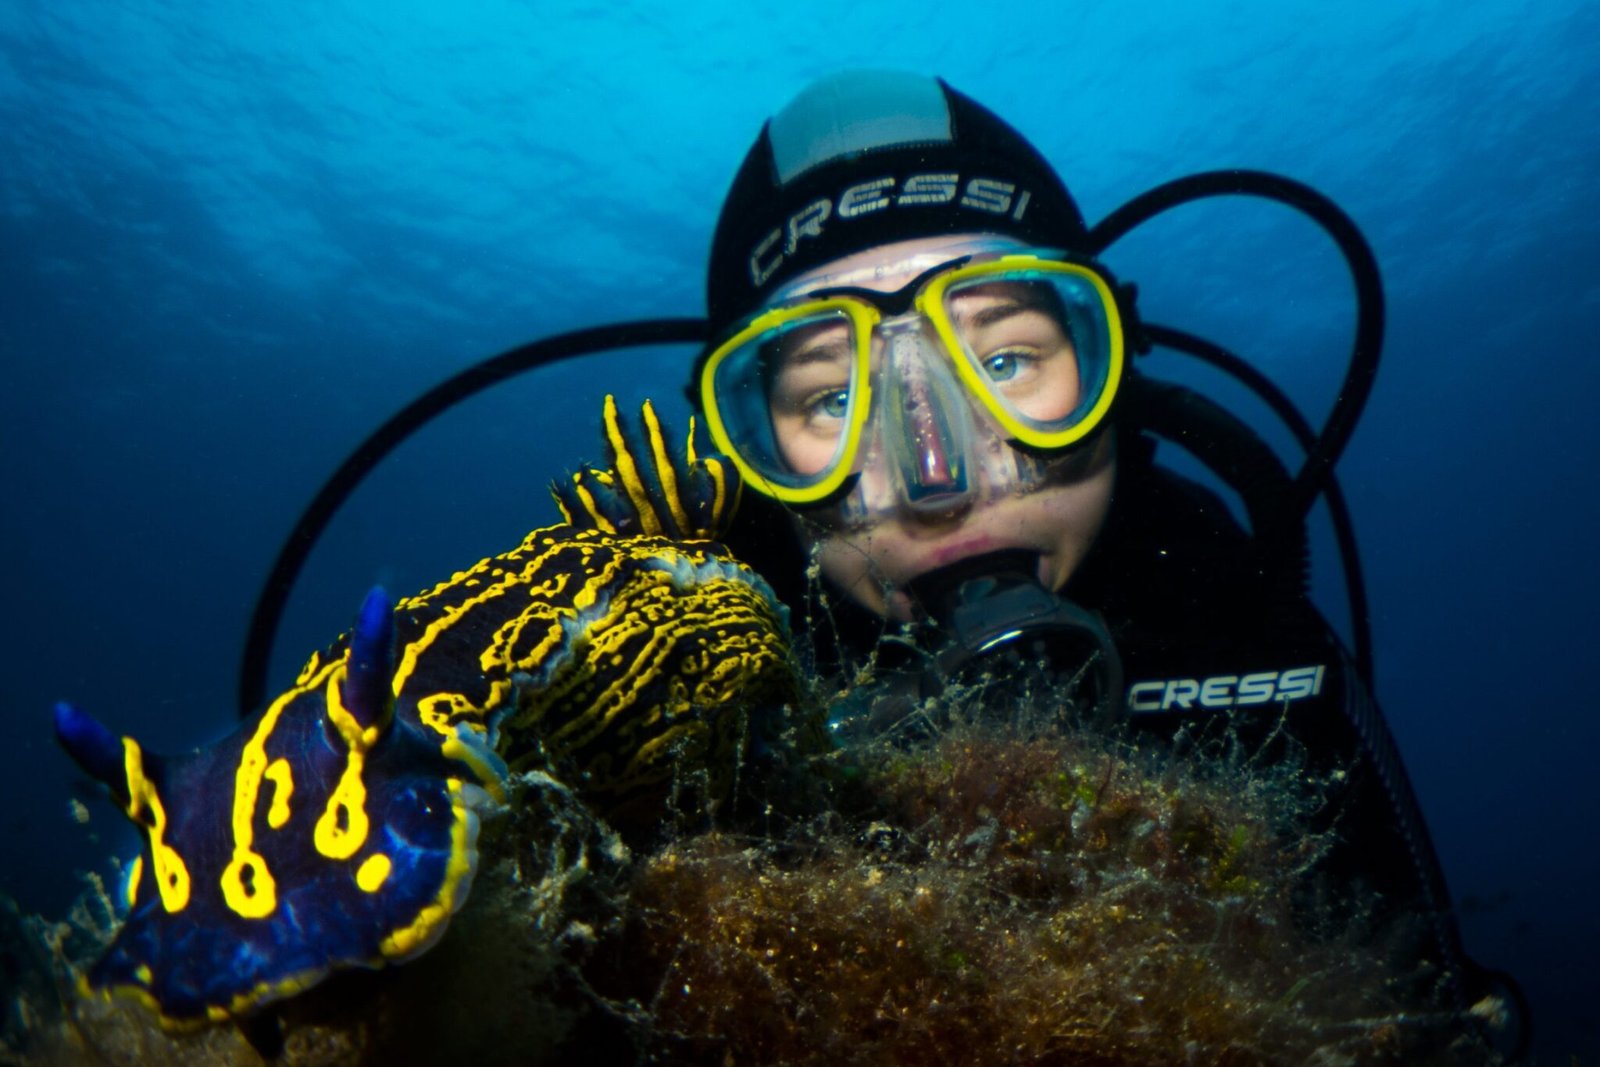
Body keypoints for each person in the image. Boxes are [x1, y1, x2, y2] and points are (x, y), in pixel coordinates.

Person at [682, 69, 1525, 1051]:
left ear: (1111, 359)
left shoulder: (1224, 605)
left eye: (1003, 361)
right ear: (747, 440)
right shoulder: (697, 683)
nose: (935, 478)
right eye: (831, 400)